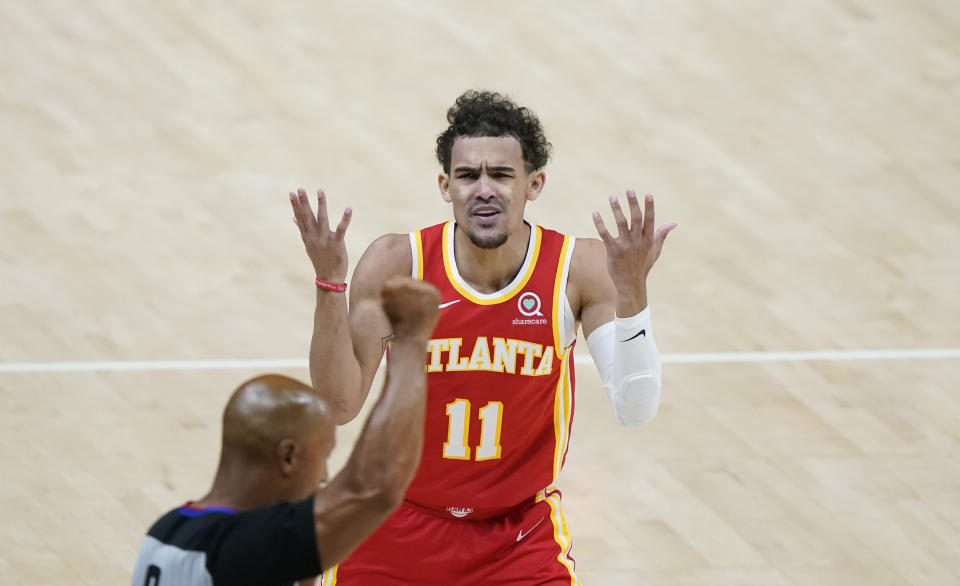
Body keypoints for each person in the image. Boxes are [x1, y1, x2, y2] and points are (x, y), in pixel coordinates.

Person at [290, 89, 676, 584]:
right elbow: (338, 405)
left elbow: (636, 408)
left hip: (516, 539)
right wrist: (330, 284)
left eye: (501, 174)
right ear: (445, 185)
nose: (484, 189)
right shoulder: (397, 263)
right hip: (392, 523)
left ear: (534, 184)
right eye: (468, 175)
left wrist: (633, 294)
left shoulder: (576, 270)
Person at [130, 276, 441, 586]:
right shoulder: (248, 547)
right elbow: (374, 488)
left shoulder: (163, 533)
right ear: (289, 456)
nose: (323, 477)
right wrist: (411, 342)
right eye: (323, 456)